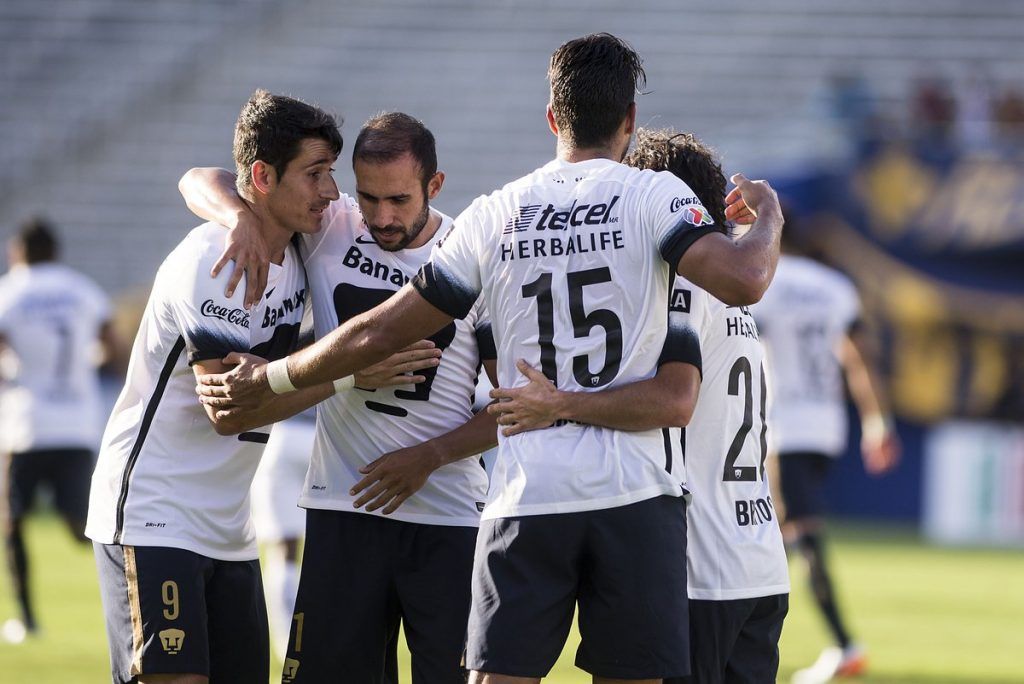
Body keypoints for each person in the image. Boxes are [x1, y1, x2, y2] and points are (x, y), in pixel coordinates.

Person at [196, 33, 783, 684]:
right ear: (629, 121)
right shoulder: (655, 198)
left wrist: (274, 376)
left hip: (530, 491)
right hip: (635, 494)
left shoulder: (494, 214)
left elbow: (381, 331)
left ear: (552, 118)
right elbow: (745, 279)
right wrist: (770, 217)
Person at [178, 111, 499, 684]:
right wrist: (238, 218)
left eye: (399, 200)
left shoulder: (472, 256)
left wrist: (428, 457)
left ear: (436, 185)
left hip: (449, 516)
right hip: (341, 509)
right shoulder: (332, 224)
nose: (382, 217)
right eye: (369, 198)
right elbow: (199, 178)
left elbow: (512, 407)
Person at [487, 129, 791, 684]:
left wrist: (559, 404)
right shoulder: (733, 301)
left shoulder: (679, 287)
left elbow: (673, 399)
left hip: (699, 565)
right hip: (759, 558)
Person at [84, 89, 351, 684]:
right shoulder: (214, 262)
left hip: (229, 531)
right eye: (315, 175)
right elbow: (231, 411)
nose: (330, 192)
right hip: (154, 516)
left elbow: (200, 177)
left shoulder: (304, 239)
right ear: (262, 175)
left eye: (329, 173)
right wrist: (351, 374)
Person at [754, 219, 900, 684]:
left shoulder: (765, 280)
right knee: (774, 533)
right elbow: (860, 359)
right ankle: (754, 638)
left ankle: (843, 645)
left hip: (783, 425)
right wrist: (877, 421)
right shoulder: (837, 287)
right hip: (827, 428)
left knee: (793, 534)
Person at [0, 218, 121, 643]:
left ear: (19, 252)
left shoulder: (11, 291)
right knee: (81, 524)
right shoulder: (81, 289)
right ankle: (128, 583)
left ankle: (27, 620)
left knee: (13, 521)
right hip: (76, 422)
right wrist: (85, 365)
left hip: (26, 424)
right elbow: (112, 345)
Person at [250, 409, 315, 659]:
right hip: (327, 439)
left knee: (283, 551)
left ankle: (288, 643)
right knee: (334, 545)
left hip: (283, 434)